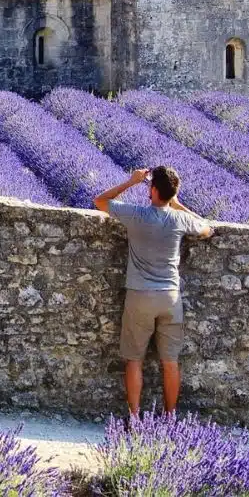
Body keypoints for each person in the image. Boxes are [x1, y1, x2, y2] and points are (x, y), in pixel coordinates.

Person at [94, 166, 213, 415]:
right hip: (170, 296)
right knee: (170, 362)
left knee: (134, 360)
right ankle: (170, 419)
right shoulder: (180, 219)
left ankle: (135, 418)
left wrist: (130, 181)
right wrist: (177, 204)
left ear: (153, 189)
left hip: (140, 295)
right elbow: (206, 228)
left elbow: (100, 201)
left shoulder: (136, 214)